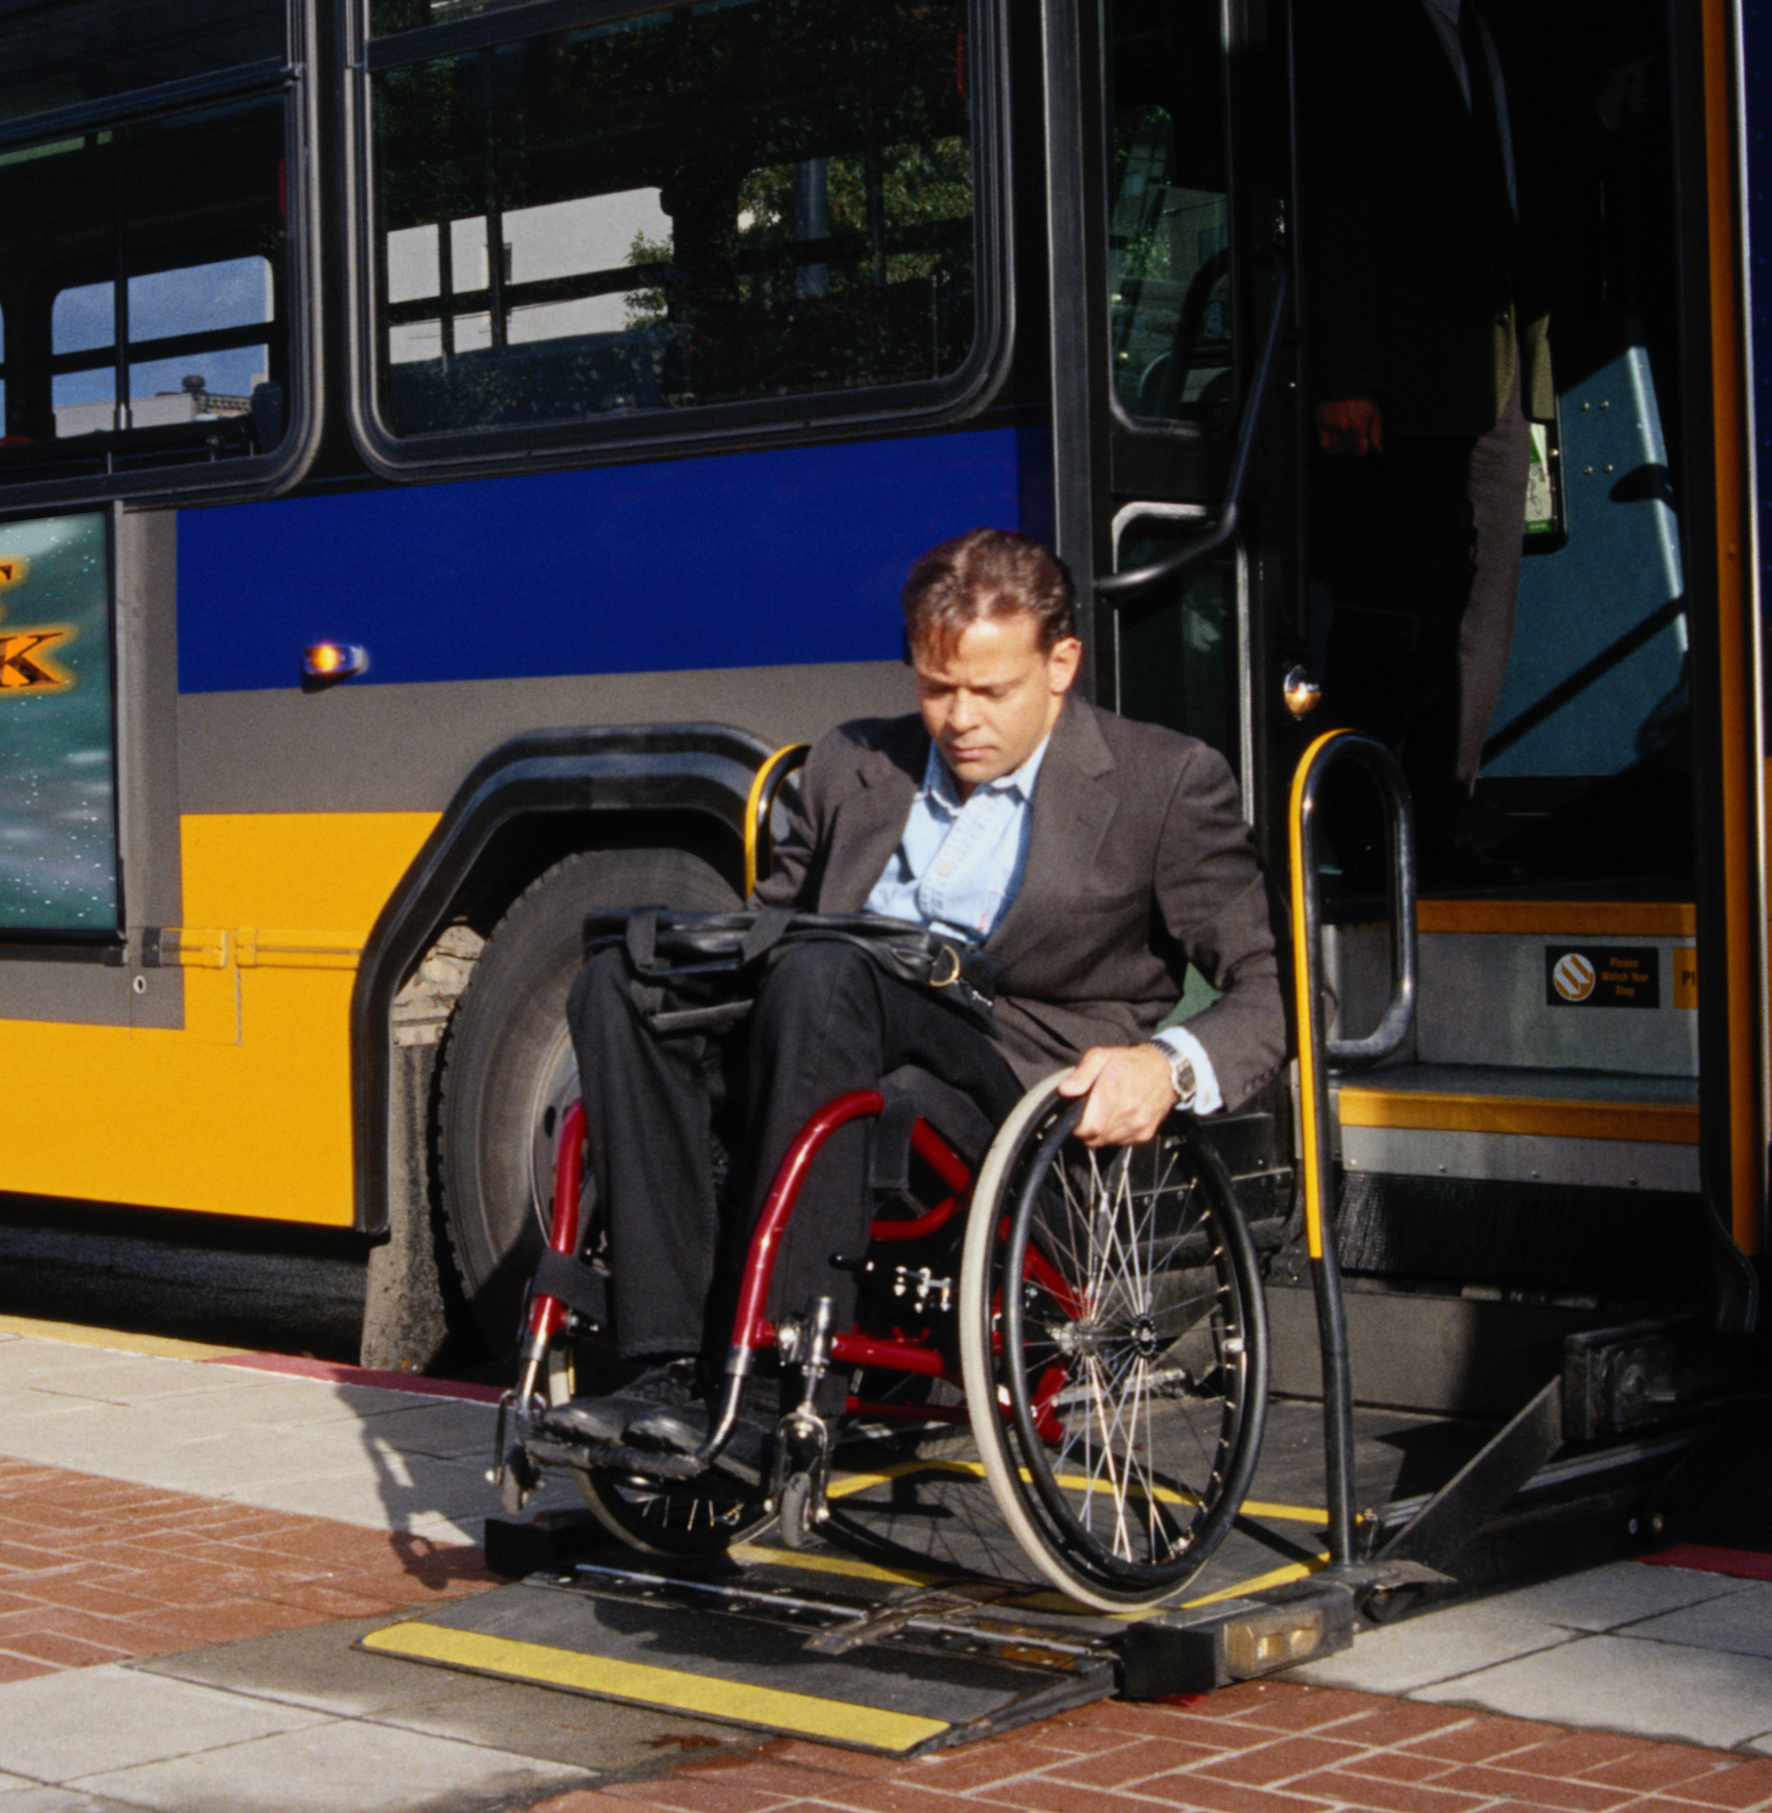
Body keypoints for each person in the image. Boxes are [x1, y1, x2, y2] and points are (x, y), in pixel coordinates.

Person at [542, 528, 1288, 1457]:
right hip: (826, 1027)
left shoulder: (1163, 783)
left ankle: (780, 1377)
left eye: (990, 691)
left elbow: (1279, 994)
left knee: (827, 971)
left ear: (1061, 664)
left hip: (998, 1074)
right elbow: (769, 932)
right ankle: (660, 1358)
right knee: (621, 981)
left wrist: (1166, 1068)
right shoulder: (853, 762)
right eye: (936, 689)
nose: (960, 719)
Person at [1309, 0, 1632, 855]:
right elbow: (1340, 204)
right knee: (1404, 603)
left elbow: (1504, 189)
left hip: (1494, 371)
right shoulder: (1366, 25)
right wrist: (1349, 372)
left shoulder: (1482, 31)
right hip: (1402, 380)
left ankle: (1446, 796)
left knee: (1486, 585)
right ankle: (1365, 819)